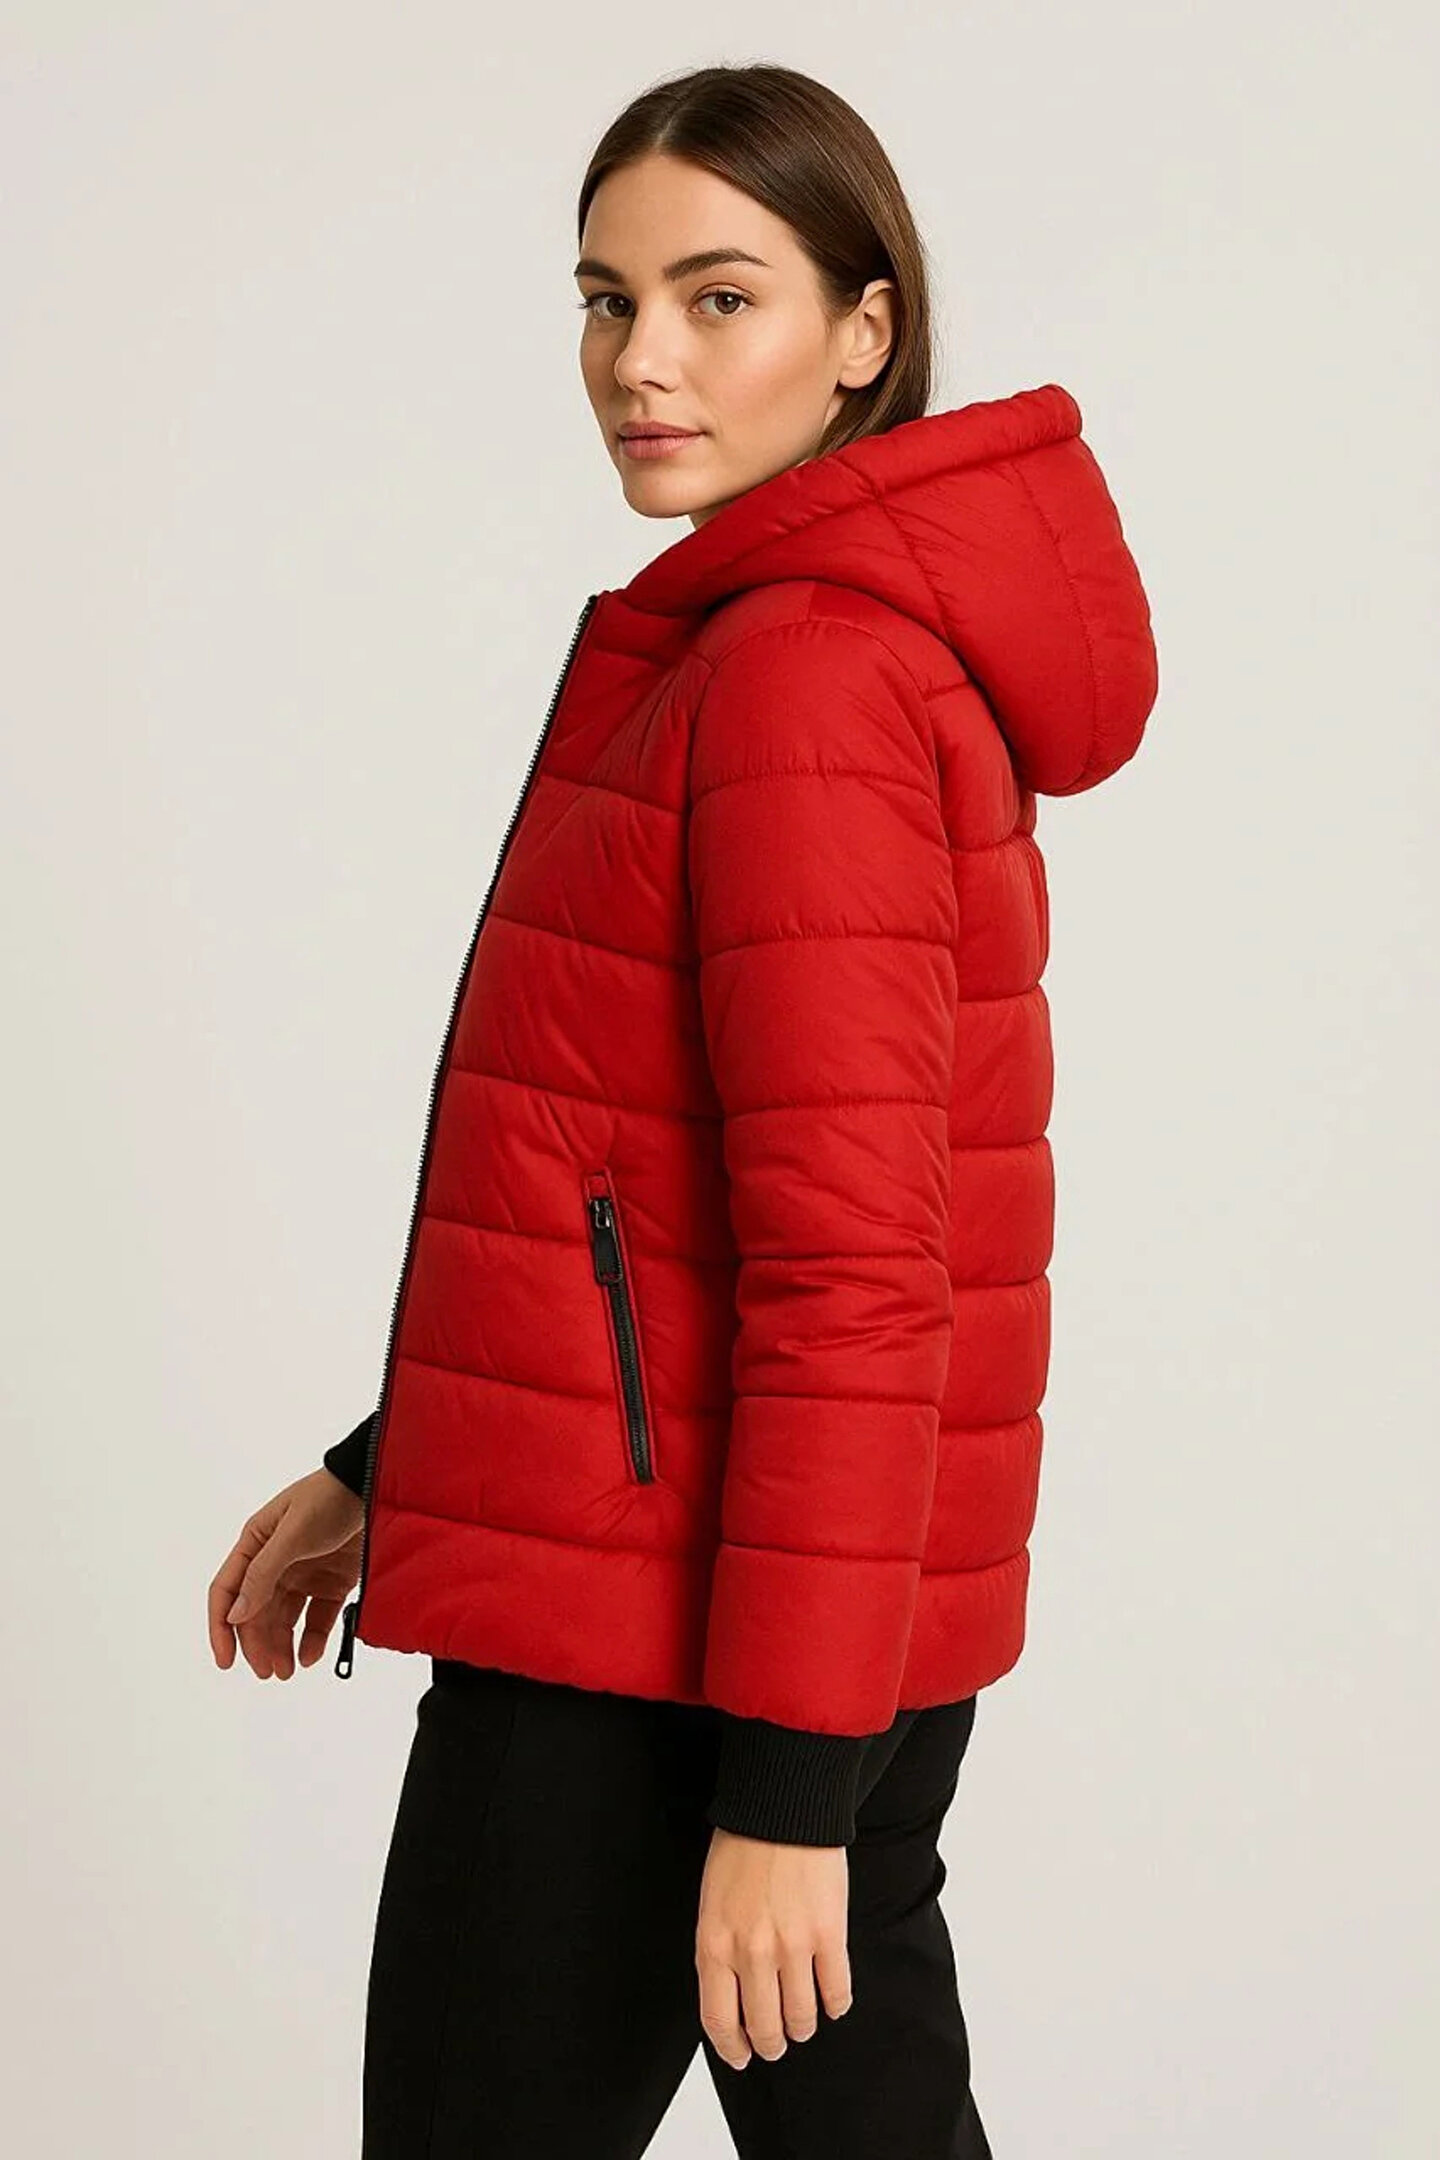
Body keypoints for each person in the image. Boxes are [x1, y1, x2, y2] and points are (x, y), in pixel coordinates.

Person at [207, 60, 1158, 2160]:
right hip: (761, 1609)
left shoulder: (803, 675)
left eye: (720, 298)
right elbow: (637, 1194)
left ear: (865, 330)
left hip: (664, 1656)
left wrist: (787, 1793)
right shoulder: (794, 648)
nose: (640, 360)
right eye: (605, 298)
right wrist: (397, 1460)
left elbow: (855, 1271)